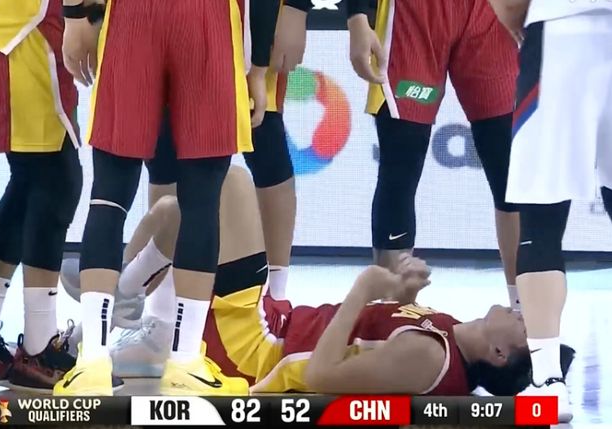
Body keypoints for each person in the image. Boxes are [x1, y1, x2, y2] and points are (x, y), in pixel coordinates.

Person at [66, 165, 575, 394]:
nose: (523, 314)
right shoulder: (451, 334)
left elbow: (321, 378)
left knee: (229, 182)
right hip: (275, 322)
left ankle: (124, 307)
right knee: (174, 211)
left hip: (255, 349)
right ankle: (120, 310)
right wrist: (402, 292)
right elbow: (373, 332)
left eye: (527, 328)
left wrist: (364, 289)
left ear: (500, 355)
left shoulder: (429, 359)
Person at [54, 0, 279, 396]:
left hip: (132, 17)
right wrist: (259, 68)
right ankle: (185, 362)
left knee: (109, 195)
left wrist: (74, 17)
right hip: (208, 19)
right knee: (201, 201)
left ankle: (92, 363)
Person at [345, 0, 522, 309]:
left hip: (493, 12)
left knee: (510, 173)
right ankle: (391, 314)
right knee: (401, 164)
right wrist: (356, 16)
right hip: (415, 13)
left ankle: (525, 314)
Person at [0, 0, 87, 392]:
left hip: (21, 24)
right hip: (22, 25)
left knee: (32, 180)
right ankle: (39, 347)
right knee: (54, 179)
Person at [488, 0, 612, 422]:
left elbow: (509, 5)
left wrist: (514, 14)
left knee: (540, 216)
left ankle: (547, 381)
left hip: (562, 29)